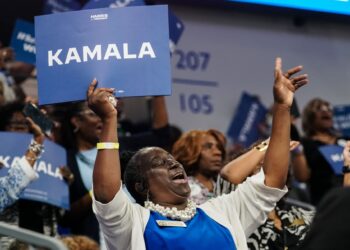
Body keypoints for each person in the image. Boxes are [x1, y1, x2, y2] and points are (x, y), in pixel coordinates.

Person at [90, 57, 308, 250]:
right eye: (160, 162)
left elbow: (272, 180)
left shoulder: (222, 212)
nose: (174, 164)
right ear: (141, 186)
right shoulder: (133, 222)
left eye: (173, 160)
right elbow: (106, 193)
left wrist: (282, 108)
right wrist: (109, 119)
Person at [59, 96, 171, 245]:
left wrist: (158, 93)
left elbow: (161, 136)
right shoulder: (65, 160)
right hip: (95, 242)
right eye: (93, 114)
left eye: (103, 114)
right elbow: (66, 217)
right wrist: (101, 191)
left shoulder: (122, 147)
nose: (101, 119)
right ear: (76, 121)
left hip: (138, 234)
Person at [301, 98, 348, 205]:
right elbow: (302, 177)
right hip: (326, 202)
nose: (325, 110)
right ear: (310, 116)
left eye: (328, 108)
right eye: (319, 109)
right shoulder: (305, 144)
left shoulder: (346, 140)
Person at [172, 129, 226, 205]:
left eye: (219, 148)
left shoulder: (226, 189)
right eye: (208, 147)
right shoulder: (179, 189)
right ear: (190, 151)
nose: (218, 152)